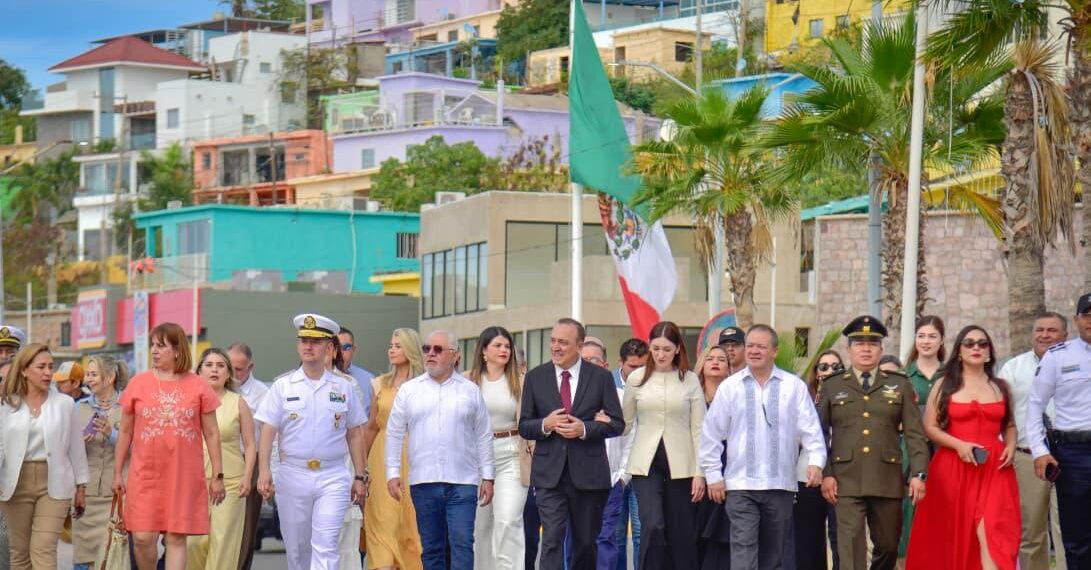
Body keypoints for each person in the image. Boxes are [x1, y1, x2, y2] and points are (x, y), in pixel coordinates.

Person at [701, 325, 826, 570]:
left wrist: (816, 462)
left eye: (761, 346)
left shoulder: (794, 387)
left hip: (780, 485)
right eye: (750, 346)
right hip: (740, 486)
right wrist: (713, 475)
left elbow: (811, 429)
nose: (754, 351)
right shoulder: (730, 387)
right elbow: (711, 434)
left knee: (774, 555)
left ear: (775, 351)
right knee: (743, 550)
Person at [255, 313, 368, 570]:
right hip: (293, 474)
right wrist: (264, 471)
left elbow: (354, 433)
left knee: (326, 545)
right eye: (304, 340)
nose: (308, 346)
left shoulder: (343, 387)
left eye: (315, 341)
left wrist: (360, 476)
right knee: (297, 550)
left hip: (332, 475)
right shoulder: (283, 386)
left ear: (329, 347)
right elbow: (268, 430)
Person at [818, 315, 929, 570]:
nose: (866, 349)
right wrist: (826, 473)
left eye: (872, 343)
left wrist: (919, 473)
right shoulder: (833, 386)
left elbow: (914, 433)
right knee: (851, 548)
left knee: (889, 546)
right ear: (848, 350)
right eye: (859, 343)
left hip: (887, 478)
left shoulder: (899, 385)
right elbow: (819, 434)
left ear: (881, 350)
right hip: (845, 480)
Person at [906, 325, 1020, 569]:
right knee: (950, 538)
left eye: (982, 343)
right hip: (953, 468)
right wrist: (959, 445)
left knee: (993, 533)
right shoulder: (945, 385)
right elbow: (931, 427)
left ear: (989, 351)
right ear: (958, 351)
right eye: (969, 343)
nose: (976, 348)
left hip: (994, 469)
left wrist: (1010, 444)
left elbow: (1009, 424)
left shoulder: (1000, 386)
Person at [114, 323, 225, 570]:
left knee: (176, 537)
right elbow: (125, 431)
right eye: (153, 345)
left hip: (183, 475)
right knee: (142, 537)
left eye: (161, 346)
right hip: (144, 474)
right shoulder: (138, 384)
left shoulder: (198, 385)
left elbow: (212, 433)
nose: (154, 351)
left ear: (177, 350)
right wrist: (117, 471)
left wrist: (217, 475)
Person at [519, 318, 624, 570]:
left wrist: (584, 428)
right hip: (549, 475)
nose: (555, 347)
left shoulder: (600, 378)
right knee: (552, 538)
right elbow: (524, 425)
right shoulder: (536, 377)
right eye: (553, 341)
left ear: (579, 346)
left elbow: (617, 424)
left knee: (585, 543)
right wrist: (546, 424)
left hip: (589, 474)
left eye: (563, 342)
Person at [386, 330, 495, 570]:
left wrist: (488, 476)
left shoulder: (470, 391)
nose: (430, 354)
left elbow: (483, 435)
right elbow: (393, 433)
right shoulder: (409, 390)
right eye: (426, 349)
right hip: (424, 481)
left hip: (463, 481)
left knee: (462, 543)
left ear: (455, 355)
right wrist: (392, 472)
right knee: (432, 547)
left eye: (437, 349)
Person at [623, 321, 706, 569]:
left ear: (678, 349)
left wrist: (700, 473)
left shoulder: (690, 380)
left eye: (667, 349)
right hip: (645, 464)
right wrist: (599, 420)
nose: (660, 355)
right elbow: (624, 423)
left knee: (680, 532)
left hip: (683, 466)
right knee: (653, 526)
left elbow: (699, 428)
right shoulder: (636, 379)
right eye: (656, 348)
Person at [0, 343, 89, 569]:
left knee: (43, 550)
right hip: (15, 484)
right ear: (24, 370)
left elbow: (76, 449)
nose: (48, 372)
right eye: (41, 367)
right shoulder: (6, 403)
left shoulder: (65, 404)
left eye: (51, 366)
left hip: (55, 484)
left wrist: (81, 488)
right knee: (20, 553)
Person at [997, 312, 1068, 570]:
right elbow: (1002, 414)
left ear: (1065, 335)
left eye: (1052, 330)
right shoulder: (1012, 369)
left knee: (1069, 530)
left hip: (1070, 456)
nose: (1045, 335)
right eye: (1040, 330)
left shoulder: (1081, 364)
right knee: (1030, 533)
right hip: (1027, 458)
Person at [1027, 293, 1091, 569]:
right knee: (1077, 536)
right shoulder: (1058, 356)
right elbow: (1034, 405)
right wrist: (1040, 451)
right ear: (1077, 320)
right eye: (1087, 315)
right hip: (1074, 453)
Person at [187, 348, 258, 570]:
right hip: (194, 482)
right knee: (193, 543)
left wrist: (247, 478)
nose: (214, 370)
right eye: (209, 365)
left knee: (223, 542)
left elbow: (250, 444)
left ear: (228, 373)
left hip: (230, 482)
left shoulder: (238, 402)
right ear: (199, 371)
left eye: (220, 365)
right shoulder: (189, 403)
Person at [466, 326, 528, 570]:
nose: (504, 350)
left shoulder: (520, 381)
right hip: (474, 458)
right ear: (484, 350)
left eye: (507, 346)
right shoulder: (466, 380)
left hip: (511, 453)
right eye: (498, 345)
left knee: (508, 520)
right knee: (480, 526)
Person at [363, 328, 425, 570]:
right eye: (391, 345)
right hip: (381, 456)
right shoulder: (379, 384)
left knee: (413, 522)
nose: (391, 349)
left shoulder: (425, 384)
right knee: (383, 521)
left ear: (411, 350)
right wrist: (361, 468)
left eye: (398, 345)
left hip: (417, 456)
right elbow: (370, 427)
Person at [580, 336, 634, 570]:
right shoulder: (566, 397)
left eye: (595, 360)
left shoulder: (620, 398)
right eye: (584, 360)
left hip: (610, 481)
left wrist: (623, 477)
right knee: (576, 541)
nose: (589, 364)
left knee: (605, 538)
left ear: (605, 365)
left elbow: (631, 439)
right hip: (575, 482)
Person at [73, 355, 130, 570]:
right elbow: (65, 447)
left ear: (110, 377)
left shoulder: (129, 407)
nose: (87, 379)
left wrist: (112, 433)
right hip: (84, 494)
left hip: (117, 495)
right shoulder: (78, 408)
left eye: (93, 374)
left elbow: (138, 448)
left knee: (113, 556)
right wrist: (76, 441)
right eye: (88, 374)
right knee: (83, 560)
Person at [797, 349, 845, 570]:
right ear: (816, 372)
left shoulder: (851, 398)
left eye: (836, 367)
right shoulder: (803, 398)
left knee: (840, 540)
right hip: (808, 476)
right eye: (823, 367)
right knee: (808, 539)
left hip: (841, 477)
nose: (829, 371)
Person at [226, 341, 269, 570]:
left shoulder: (262, 393)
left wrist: (265, 471)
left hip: (248, 463)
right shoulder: (218, 389)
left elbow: (268, 436)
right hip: (221, 461)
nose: (232, 374)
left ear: (250, 367)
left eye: (239, 369)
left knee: (245, 528)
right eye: (228, 367)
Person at [694, 344, 731, 569]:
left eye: (722, 359)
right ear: (702, 365)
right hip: (694, 474)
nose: (716, 362)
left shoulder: (734, 395)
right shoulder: (691, 396)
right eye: (710, 358)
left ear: (729, 368)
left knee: (721, 538)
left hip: (726, 472)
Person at [612, 338, 647, 570]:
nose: (638, 372)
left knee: (641, 533)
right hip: (615, 471)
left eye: (643, 367)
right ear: (621, 363)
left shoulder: (654, 384)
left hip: (643, 469)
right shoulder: (606, 384)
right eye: (633, 367)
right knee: (615, 536)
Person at [338, 327, 376, 420]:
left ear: (354, 349)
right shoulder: (318, 377)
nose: (341, 351)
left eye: (346, 347)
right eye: (336, 347)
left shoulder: (369, 380)